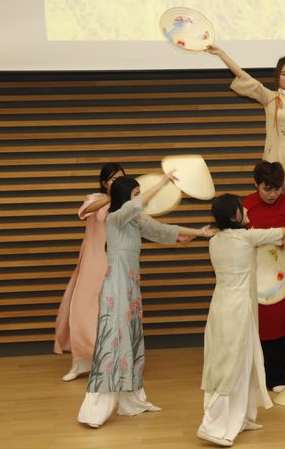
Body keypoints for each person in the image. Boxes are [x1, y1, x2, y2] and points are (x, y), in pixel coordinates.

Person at [78, 174, 215, 428]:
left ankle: (132, 403)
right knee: (113, 343)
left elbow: (164, 230)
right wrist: (162, 183)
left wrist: (200, 232)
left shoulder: (133, 220)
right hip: (116, 286)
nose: (139, 199)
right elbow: (134, 207)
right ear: (124, 198)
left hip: (129, 286)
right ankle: (93, 412)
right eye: (135, 193)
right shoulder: (115, 217)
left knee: (130, 341)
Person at [199, 194, 285, 447]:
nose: (247, 208)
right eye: (242, 208)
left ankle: (242, 417)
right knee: (231, 366)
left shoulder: (215, 241)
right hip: (237, 311)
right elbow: (282, 232)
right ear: (233, 216)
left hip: (221, 307)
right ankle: (212, 425)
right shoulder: (247, 237)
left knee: (242, 362)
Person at [206, 44, 285, 197]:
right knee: (272, 200)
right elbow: (244, 77)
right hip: (273, 160)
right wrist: (221, 53)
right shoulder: (269, 97)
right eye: (284, 73)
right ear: (277, 75)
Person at [54, 163, 125, 381]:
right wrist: (112, 196)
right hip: (93, 262)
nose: (117, 182)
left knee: (115, 313)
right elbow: (83, 212)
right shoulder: (96, 199)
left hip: (117, 263)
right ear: (104, 183)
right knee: (82, 310)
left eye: (121, 178)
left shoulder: (128, 203)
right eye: (113, 179)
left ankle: (112, 362)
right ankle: (80, 362)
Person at [243, 161, 285, 392]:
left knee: (282, 326)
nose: (272, 194)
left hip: (282, 278)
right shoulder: (247, 206)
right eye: (267, 188)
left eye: (277, 188)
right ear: (256, 184)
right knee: (256, 327)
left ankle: (277, 376)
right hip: (255, 278)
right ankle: (257, 376)